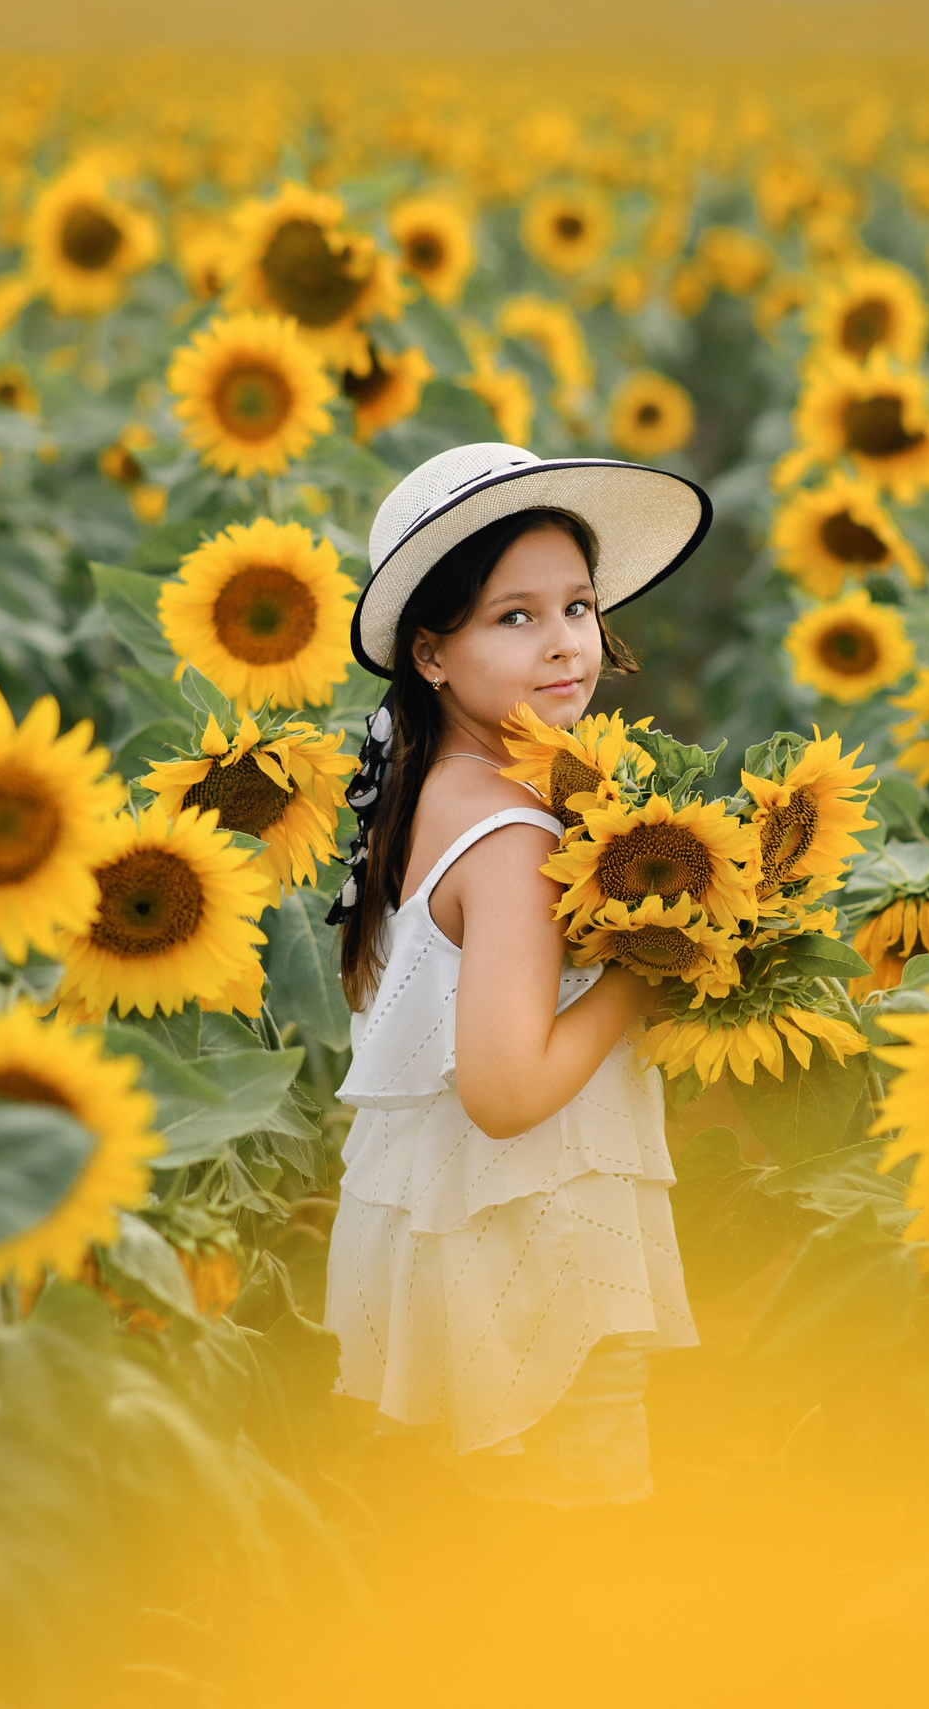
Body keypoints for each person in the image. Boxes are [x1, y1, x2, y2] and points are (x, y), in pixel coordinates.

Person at [323, 440, 711, 1507]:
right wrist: (656, 965)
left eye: (577, 606)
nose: (564, 645)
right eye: (514, 616)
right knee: (570, 1584)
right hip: (539, 1277)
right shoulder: (511, 835)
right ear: (432, 653)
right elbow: (504, 1092)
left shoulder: (438, 782)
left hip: (463, 1247)